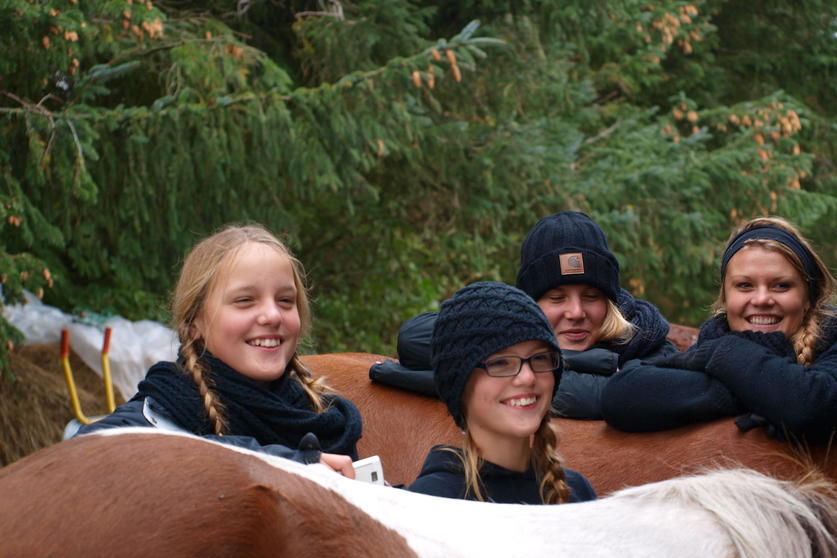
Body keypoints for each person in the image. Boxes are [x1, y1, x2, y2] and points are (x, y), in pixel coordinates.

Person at [76, 224, 362, 475]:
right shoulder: (161, 413)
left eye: (286, 300)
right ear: (194, 323)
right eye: (245, 300)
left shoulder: (322, 420)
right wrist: (282, 464)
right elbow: (84, 453)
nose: (273, 315)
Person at [600, 217, 837, 443]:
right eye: (745, 286)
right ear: (726, 297)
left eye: (781, 285)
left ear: (809, 296)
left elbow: (810, 407)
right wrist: (768, 392)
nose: (762, 299)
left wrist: (728, 356)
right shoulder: (710, 349)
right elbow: (621, 397)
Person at [370, 211, 678, 418]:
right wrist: (564, 358)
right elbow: (413, 340)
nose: (575, 312)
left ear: (611, 302)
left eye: (591, 297)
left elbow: (614, 395)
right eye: (556, 298)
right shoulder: (514, 319)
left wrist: (471, 376)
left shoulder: (648, 344)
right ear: (529, 304)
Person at [406, 281, 597, 503]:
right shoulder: (430, 503)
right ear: (460, 384)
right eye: (501, 363)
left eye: (539, 358)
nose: (527, 377)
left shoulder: (576, 493)